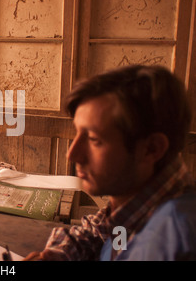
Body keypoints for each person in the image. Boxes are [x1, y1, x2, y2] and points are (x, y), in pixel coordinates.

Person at [25, 64, 196, 261]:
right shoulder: (134, 203)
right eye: (77, 132)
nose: (72, 155)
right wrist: (57, 256)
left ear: (152, 149)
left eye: (94, 140)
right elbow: (102, 233)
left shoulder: (175, 245)